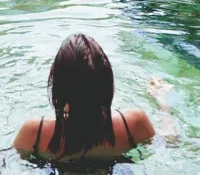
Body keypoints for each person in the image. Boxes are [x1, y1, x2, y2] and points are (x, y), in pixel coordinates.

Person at [12, 33, 175, 162]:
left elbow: (4, 163)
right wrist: (161, 100)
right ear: (107, 83)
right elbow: (171, 141)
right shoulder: (132, 124)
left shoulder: (36, 133)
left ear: (59, 87)